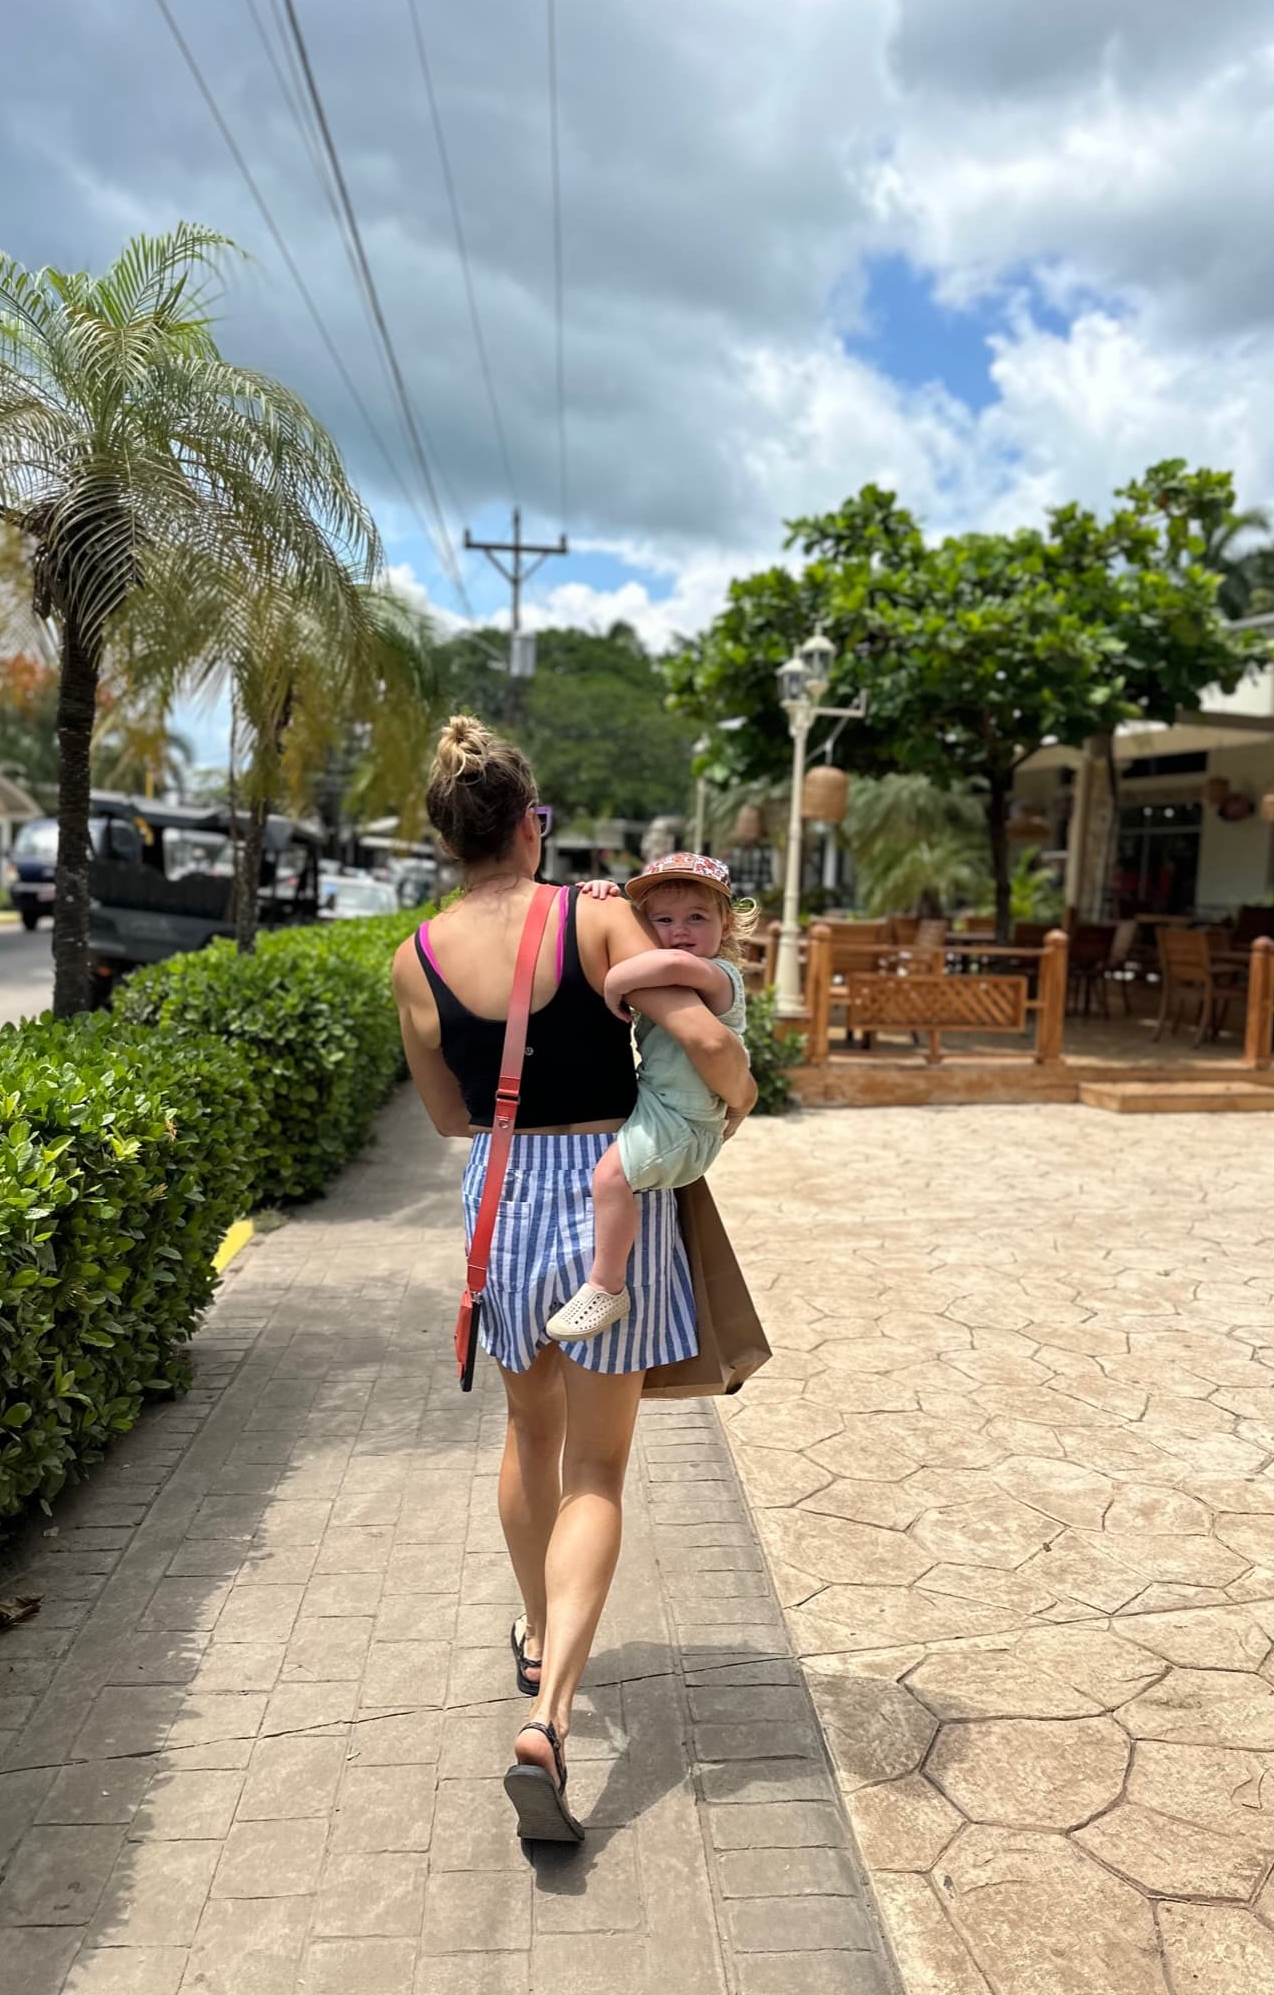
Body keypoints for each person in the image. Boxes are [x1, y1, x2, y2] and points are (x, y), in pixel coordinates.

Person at [391, 716, 756, 1844]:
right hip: (608, 1188)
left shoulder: (413, 956)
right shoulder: (595, 915)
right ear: (530, 820)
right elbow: (698, 1034)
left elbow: (448, 1114)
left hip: (499, 1195)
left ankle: (539, 1632)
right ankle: (548, 1720)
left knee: (526, 1436)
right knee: (598, 1468)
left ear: (446, 839)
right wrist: (738, 1088)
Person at [545, 855, 752, 1344]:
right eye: (663, 919)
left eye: (697, 918)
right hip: (664, 1104)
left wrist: (616, 982)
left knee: (609, 1178)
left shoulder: (719, 974)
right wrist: (607, 897)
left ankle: (606, 1285)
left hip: (686, 1120)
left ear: (725, 924)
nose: (680, 931)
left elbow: (674, 962)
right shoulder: (675, 976)